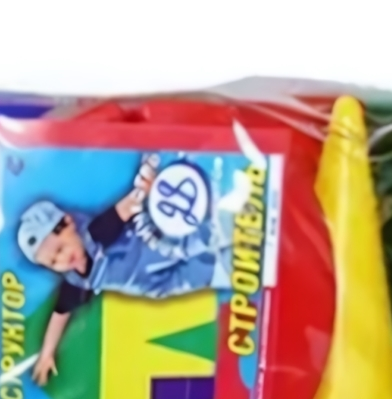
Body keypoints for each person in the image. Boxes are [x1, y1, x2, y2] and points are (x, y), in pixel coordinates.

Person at [18, 154, 232, 386]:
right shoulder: (77, 282)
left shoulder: (97, 233)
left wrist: (149, 189)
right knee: (199, 274)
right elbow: (59, 315)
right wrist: (47, 353)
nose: (62, 260)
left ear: (68, 223)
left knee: (191, 241)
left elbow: (127, 207)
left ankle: (224, 225)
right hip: (158, 282)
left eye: (60, 248)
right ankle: (227, 265)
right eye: (53, 262)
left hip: (157, 249)